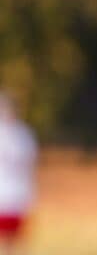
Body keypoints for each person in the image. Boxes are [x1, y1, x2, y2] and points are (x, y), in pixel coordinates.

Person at [0, 93, 37, 255]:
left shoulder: (23, 134)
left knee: (14, 241)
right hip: (3, 193)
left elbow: (28, 162)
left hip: (16, 194)